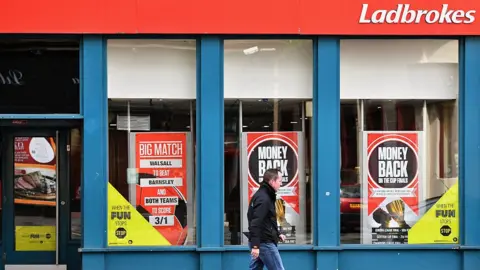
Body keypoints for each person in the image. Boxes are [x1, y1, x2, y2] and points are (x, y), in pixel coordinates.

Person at [247, 168, 286, 270]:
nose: (281, 184)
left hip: (260, 241)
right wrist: (256, 246)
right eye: (280, 181)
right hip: (264, 243)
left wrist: (277, 234)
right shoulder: (264, 198)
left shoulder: (263, 195)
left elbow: (267, 220)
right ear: (272, 181)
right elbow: (255, 222)